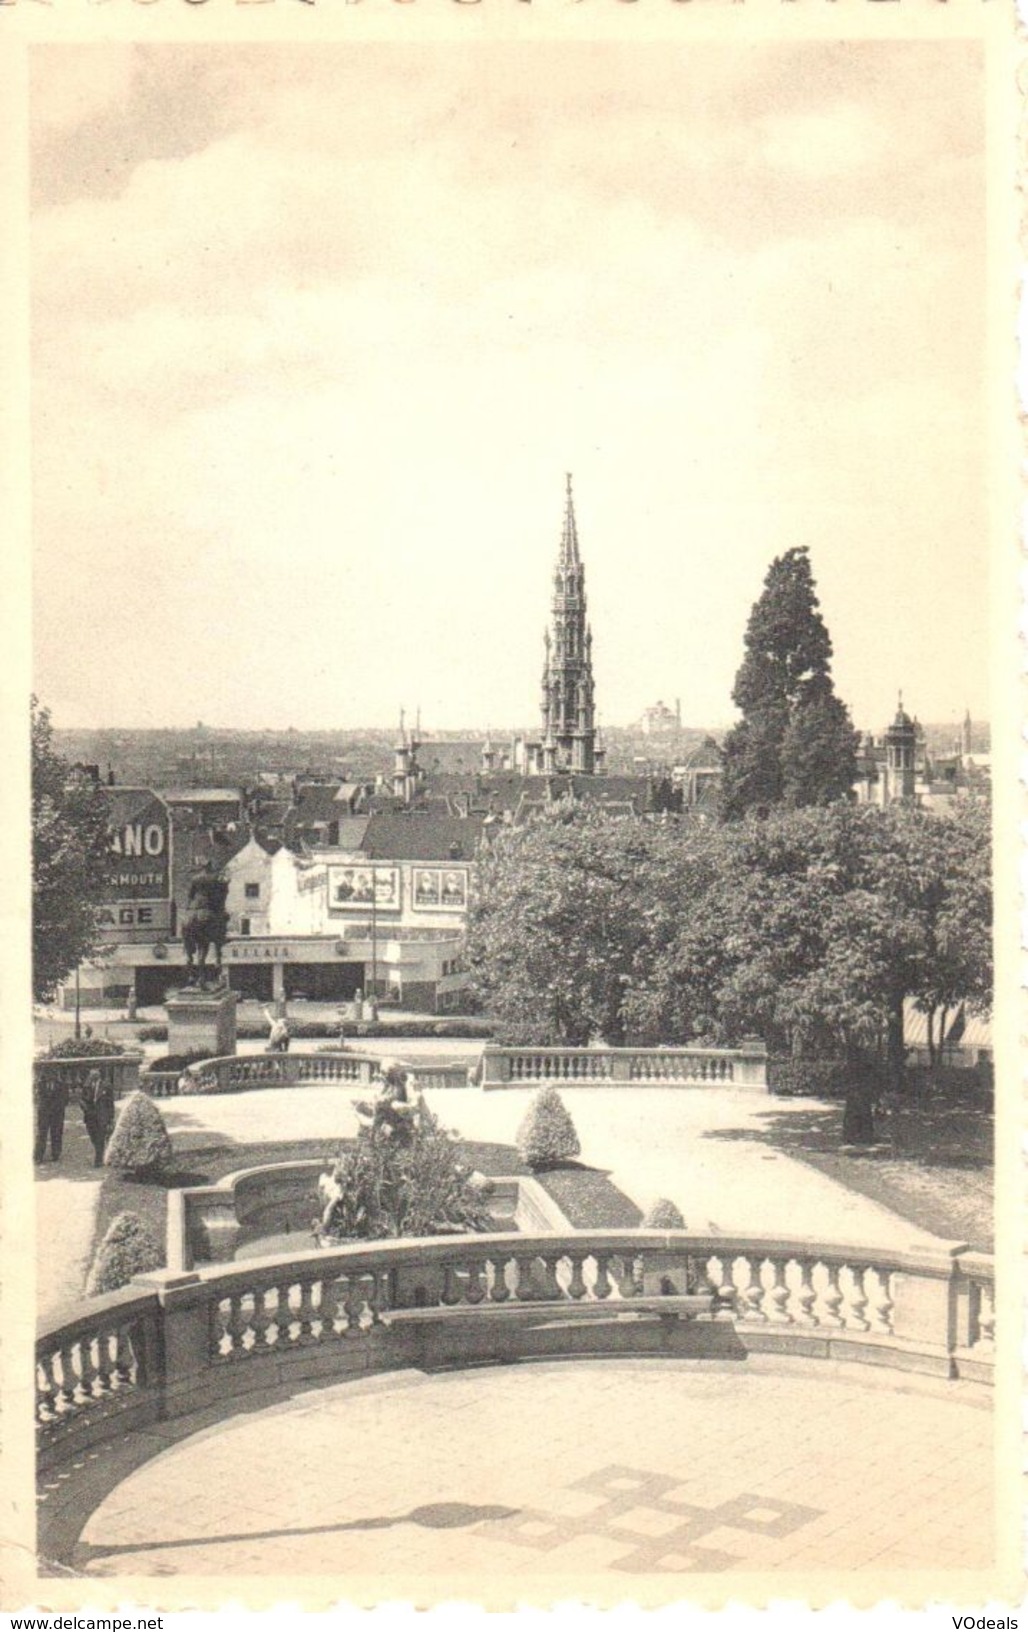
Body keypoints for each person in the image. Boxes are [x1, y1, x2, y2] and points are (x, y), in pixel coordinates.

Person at [81, 1068, 116, 1168]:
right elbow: (82, 1100)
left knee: (100, 1138)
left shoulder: (107, 1086)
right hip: (90, 1116)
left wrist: (111, 1118)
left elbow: (110, 1103)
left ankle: (98, 1160)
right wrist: (85, 1109)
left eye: (94, 1075)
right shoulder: (86, 1086)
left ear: (99, 1075)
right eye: (91, 1075)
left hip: (102, 1116)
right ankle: (100, 1152)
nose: (92, 1076)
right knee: (93, 1137)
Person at [34, 1072, 70, 1165]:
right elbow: (38, 1098)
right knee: (41, 1134)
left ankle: (55, 1154)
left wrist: (58, 1107)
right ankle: (39, 1156)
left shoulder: (62, 1085)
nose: (50, 1076)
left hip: (57, 1114)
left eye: (52, 1073)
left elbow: (65, 1099)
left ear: (56, 1075)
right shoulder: (40, 1084)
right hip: (44, 1114)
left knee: (56, 1133)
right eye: (48, 1073)